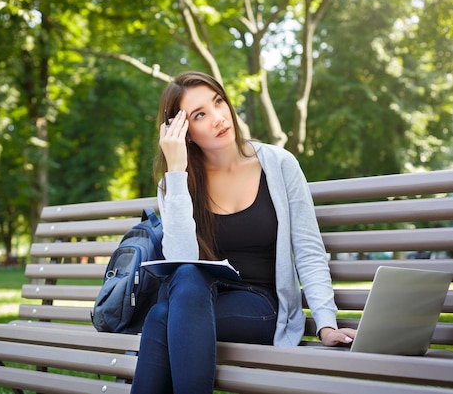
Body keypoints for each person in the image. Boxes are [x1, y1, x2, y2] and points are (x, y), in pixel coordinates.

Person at [130, 71, 356, 394]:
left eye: (218, 102)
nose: (219, 118)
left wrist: (326, 324)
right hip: (195, 298)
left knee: (161, 319)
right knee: (186, 283)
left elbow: (308, 249)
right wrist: (177, 171)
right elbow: (181, 262)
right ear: (185, 133)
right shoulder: (175, 184)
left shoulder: (278, 164)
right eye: (200, 115)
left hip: (260, 306)